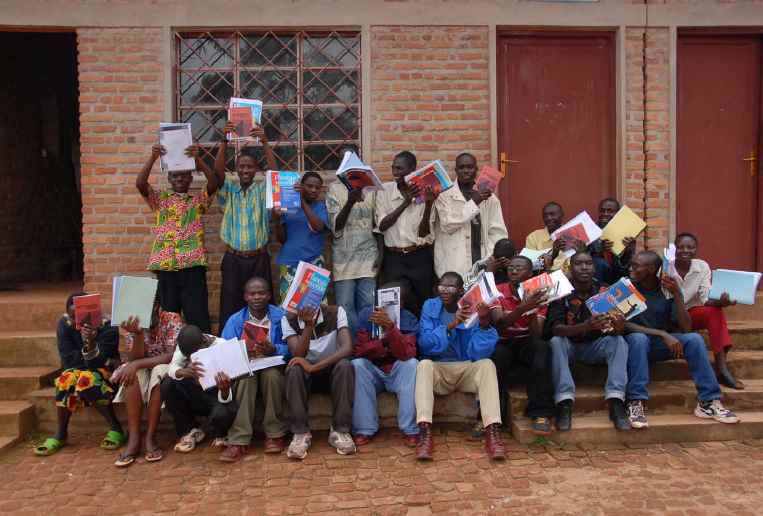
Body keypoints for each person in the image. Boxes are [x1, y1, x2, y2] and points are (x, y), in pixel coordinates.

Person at [624, 250, 739, 428]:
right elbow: (623, 324)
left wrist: (677, 294)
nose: (630, 268)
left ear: (651, 269)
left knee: (694, 339)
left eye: (636, 266)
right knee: (638, 339)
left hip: (659, 346)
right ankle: (636, 402)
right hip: (635, 345)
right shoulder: (626, 287)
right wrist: (662, 334)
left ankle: (708, 402)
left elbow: (686, 328)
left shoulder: (667, 290)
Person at [415, 272, 505, 461]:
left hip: (465, 368)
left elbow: (477, 353)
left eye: (450, 287)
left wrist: (483, 323)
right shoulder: (430, 306)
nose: (445, 291)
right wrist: (452, 324)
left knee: (487, 365)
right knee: (423, 365)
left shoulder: (471, 308)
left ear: (461, 291)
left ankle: (492, 432)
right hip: (439, 369)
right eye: (441, 286)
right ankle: (424, 433)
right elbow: (425, 344)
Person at [135, 143, 218, 333]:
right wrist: (153, 158)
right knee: (169, 317)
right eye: (175, 175)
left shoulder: (197, 201)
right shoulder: (159, 200)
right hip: (166, 268)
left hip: (192, 267)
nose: (179, 178)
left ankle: (202, 355)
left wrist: (198, 160)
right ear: (169, 179)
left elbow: (213, 184)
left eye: (184, 175)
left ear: (191, 178)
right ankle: (171, 356)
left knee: (198, 316)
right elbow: (140, 184)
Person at [546, 251, 631, 431]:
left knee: (619, 342)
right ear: (570, 267)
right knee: (555, 342)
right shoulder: (561, 291)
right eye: (579, 263)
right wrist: (585, 326)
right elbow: (556, 328)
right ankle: (564, 402)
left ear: (594, 267)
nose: (584, 267)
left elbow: (616, 331)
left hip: (596, 346)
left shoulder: (606, 291)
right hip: (569, 346)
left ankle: (616, 400)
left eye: (588, 263)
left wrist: (619, 326)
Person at [34, 293, 124, 456]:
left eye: (81, 318)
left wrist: (90, 343)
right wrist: (93, 355)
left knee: (87, 379)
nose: (78, 323)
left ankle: (116, 427)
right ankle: (61, 433)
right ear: (68, 315)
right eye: (73, 317)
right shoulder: (65, 324)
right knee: (65, 379)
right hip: (80, 370)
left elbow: (99, 364)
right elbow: (68, 360)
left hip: (107, 376)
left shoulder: (108, 326)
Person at [217, 276, 289, 463]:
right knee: (245, 379)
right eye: (252, 293)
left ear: (269, 295)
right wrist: (242, 352)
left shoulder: (280, 317)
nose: (257, 297)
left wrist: (274, 349)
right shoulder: (235, 320)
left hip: (272, 365)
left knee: (272, 376)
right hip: (246, 367)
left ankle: (274, 434)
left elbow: (293, 347)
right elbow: (223, 350)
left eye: (261, 292)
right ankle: (239, 439)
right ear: (245, 297)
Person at [213, 122, 277, 328]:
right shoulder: (229, 189)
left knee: (262, 306)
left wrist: (265, 142)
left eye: (250, 166)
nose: (246, 170)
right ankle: (229, 348)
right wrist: (224, 141)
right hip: (233, 258)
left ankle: (263, 346)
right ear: (237, 169)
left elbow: (275, 175)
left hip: (258, 258)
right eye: (242, 166)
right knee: (230, 305)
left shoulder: (262, 190)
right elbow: (217, 174)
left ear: (256, 169)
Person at [111, 301, 184, 467]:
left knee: (158, 373)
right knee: (131, 374)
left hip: (166, 364)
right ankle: (134, 438)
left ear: (157, 307)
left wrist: (136, 364)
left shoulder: (172, 318)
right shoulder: (132, 321)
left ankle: (151, 436)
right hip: (143, 363)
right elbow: (135, 357)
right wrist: (137, 334)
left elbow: (171, 356)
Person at [490, 256, 556, 435]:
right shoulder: (498, 291)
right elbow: (500, 323)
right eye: (511, 267)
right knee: (497, 356)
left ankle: (540, 413)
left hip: (527, 340)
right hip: (503, 340)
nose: (513, 270)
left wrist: (533, 309)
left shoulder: (540, 293)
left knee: (542, 348)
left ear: (529, 273)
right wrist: (523, 307)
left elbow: (537, 333)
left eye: (519, 268)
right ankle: (492, 417)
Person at [283, 304, 356, 459]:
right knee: (294, 369)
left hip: (330, 369)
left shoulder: (336, 312)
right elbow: (298, 354)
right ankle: (301, 433)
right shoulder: (288, 319)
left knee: (345, 365)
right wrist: (309, 326)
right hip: (305, 376)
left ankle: (340, 431)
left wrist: (313, 367)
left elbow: (347, 348)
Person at [352, 282, 419, 447]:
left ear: (401, 303)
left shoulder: (408, 317)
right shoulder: (366, 314)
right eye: (380, 300)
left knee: (412, 364)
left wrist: (391, 328)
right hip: (374, 369)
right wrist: (383, 344)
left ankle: (410, 429)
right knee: (357, 365)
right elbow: (360, 350)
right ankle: (365, 428)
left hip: (397, 369)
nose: (383, 306)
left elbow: (406, 353)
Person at [672, 232, 742, 389]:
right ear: (674, 249)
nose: (685, 250)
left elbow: (705, 299)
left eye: (690, 247)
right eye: (681, 247)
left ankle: (721, 368)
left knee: (715, 311)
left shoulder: (701, 266)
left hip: (691, 313)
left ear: (696, 249)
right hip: (669, 316)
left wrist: (722, 302)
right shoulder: (666, 267)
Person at [160, 325, 238, 454]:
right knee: (167, 384)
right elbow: (172, 367)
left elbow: (232, 383)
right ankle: (190, 431)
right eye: (188, 356)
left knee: (222, 412)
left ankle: (221, 434)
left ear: (204, 341)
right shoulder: (185, 345)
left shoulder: (221, 346)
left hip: (217, 395)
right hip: (196, 393)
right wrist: (183, 371)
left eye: (195, 354)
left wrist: (223, 389)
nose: (191, 358)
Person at [430, 153, 508, 280]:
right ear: (456, 171)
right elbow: (448, 225)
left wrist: (490, 257)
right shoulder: (444, 196)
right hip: (453, 262)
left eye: (470, 167)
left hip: (482, 259)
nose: (466, 171)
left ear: (476, 170)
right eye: (462, 168)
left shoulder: (490, 198)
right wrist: (475, 201)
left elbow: (497, 231)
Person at [375, 151, 435, 315]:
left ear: (413, 170)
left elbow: (424, 233)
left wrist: (429, 204)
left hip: (419, 256)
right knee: (391, 304)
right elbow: (382, 226)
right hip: (393, 259)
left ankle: (421, 339)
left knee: (423, 302)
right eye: (394, 168)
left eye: (400, 169)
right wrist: (406, 201)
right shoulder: (384, 191)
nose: (395, 173)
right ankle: (395, 338)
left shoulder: (426, 192)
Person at [326, 173, 378, 335]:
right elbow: (336, 227)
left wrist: (380, 257)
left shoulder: (370, 188)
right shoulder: (334, 189)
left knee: (368, 306)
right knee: (345, 307)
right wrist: (350, 201)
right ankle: (353, 349)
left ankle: (370, 347)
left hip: (369, 258)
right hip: (343, 260)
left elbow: (378, 226)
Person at [274, 171, 330, 303]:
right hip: (289, 263)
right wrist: (276, 220)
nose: (313, 190)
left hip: (314, 263)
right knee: (288, 307)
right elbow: (281, 239)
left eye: (317, 188)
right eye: (309, 186)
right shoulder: (287, 206)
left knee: (316, 307)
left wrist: (302, 201)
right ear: (301, 186)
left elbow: (318, 227)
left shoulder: (320, 207)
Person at [589, 198, 637, 284]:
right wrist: (600, 250)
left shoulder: (625, 233)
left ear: (618, 214)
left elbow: (627, 266)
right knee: (599, 262)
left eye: (610, 211)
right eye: (602, 211)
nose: (605, 214)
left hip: (617, 273)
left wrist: (627, 251)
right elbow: (585, 258)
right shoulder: (591, 231)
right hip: (596, 276)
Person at [525, 201, 571, 272]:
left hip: (570, 277)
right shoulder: (533, 237)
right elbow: (530, 265)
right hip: (544, 277)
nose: (548, 218)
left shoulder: (572, 233)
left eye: (552, 214)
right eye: (545, 215)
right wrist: (553, 254)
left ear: (562, 215)